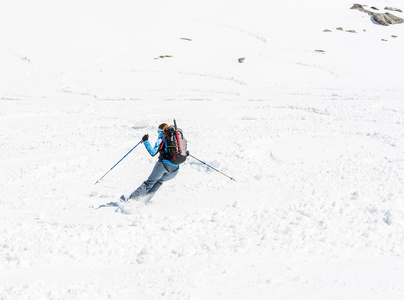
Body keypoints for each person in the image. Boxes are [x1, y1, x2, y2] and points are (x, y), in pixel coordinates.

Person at [122, 123, 180, 203]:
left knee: (149, 183)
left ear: (161, 131)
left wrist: (146, 141)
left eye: (158, 131)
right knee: (159, 182)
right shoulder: (176, 140)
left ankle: (130, 201)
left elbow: (153, 152)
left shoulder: (162, 139)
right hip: (175, 169)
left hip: (164, 165)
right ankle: (143, 201)